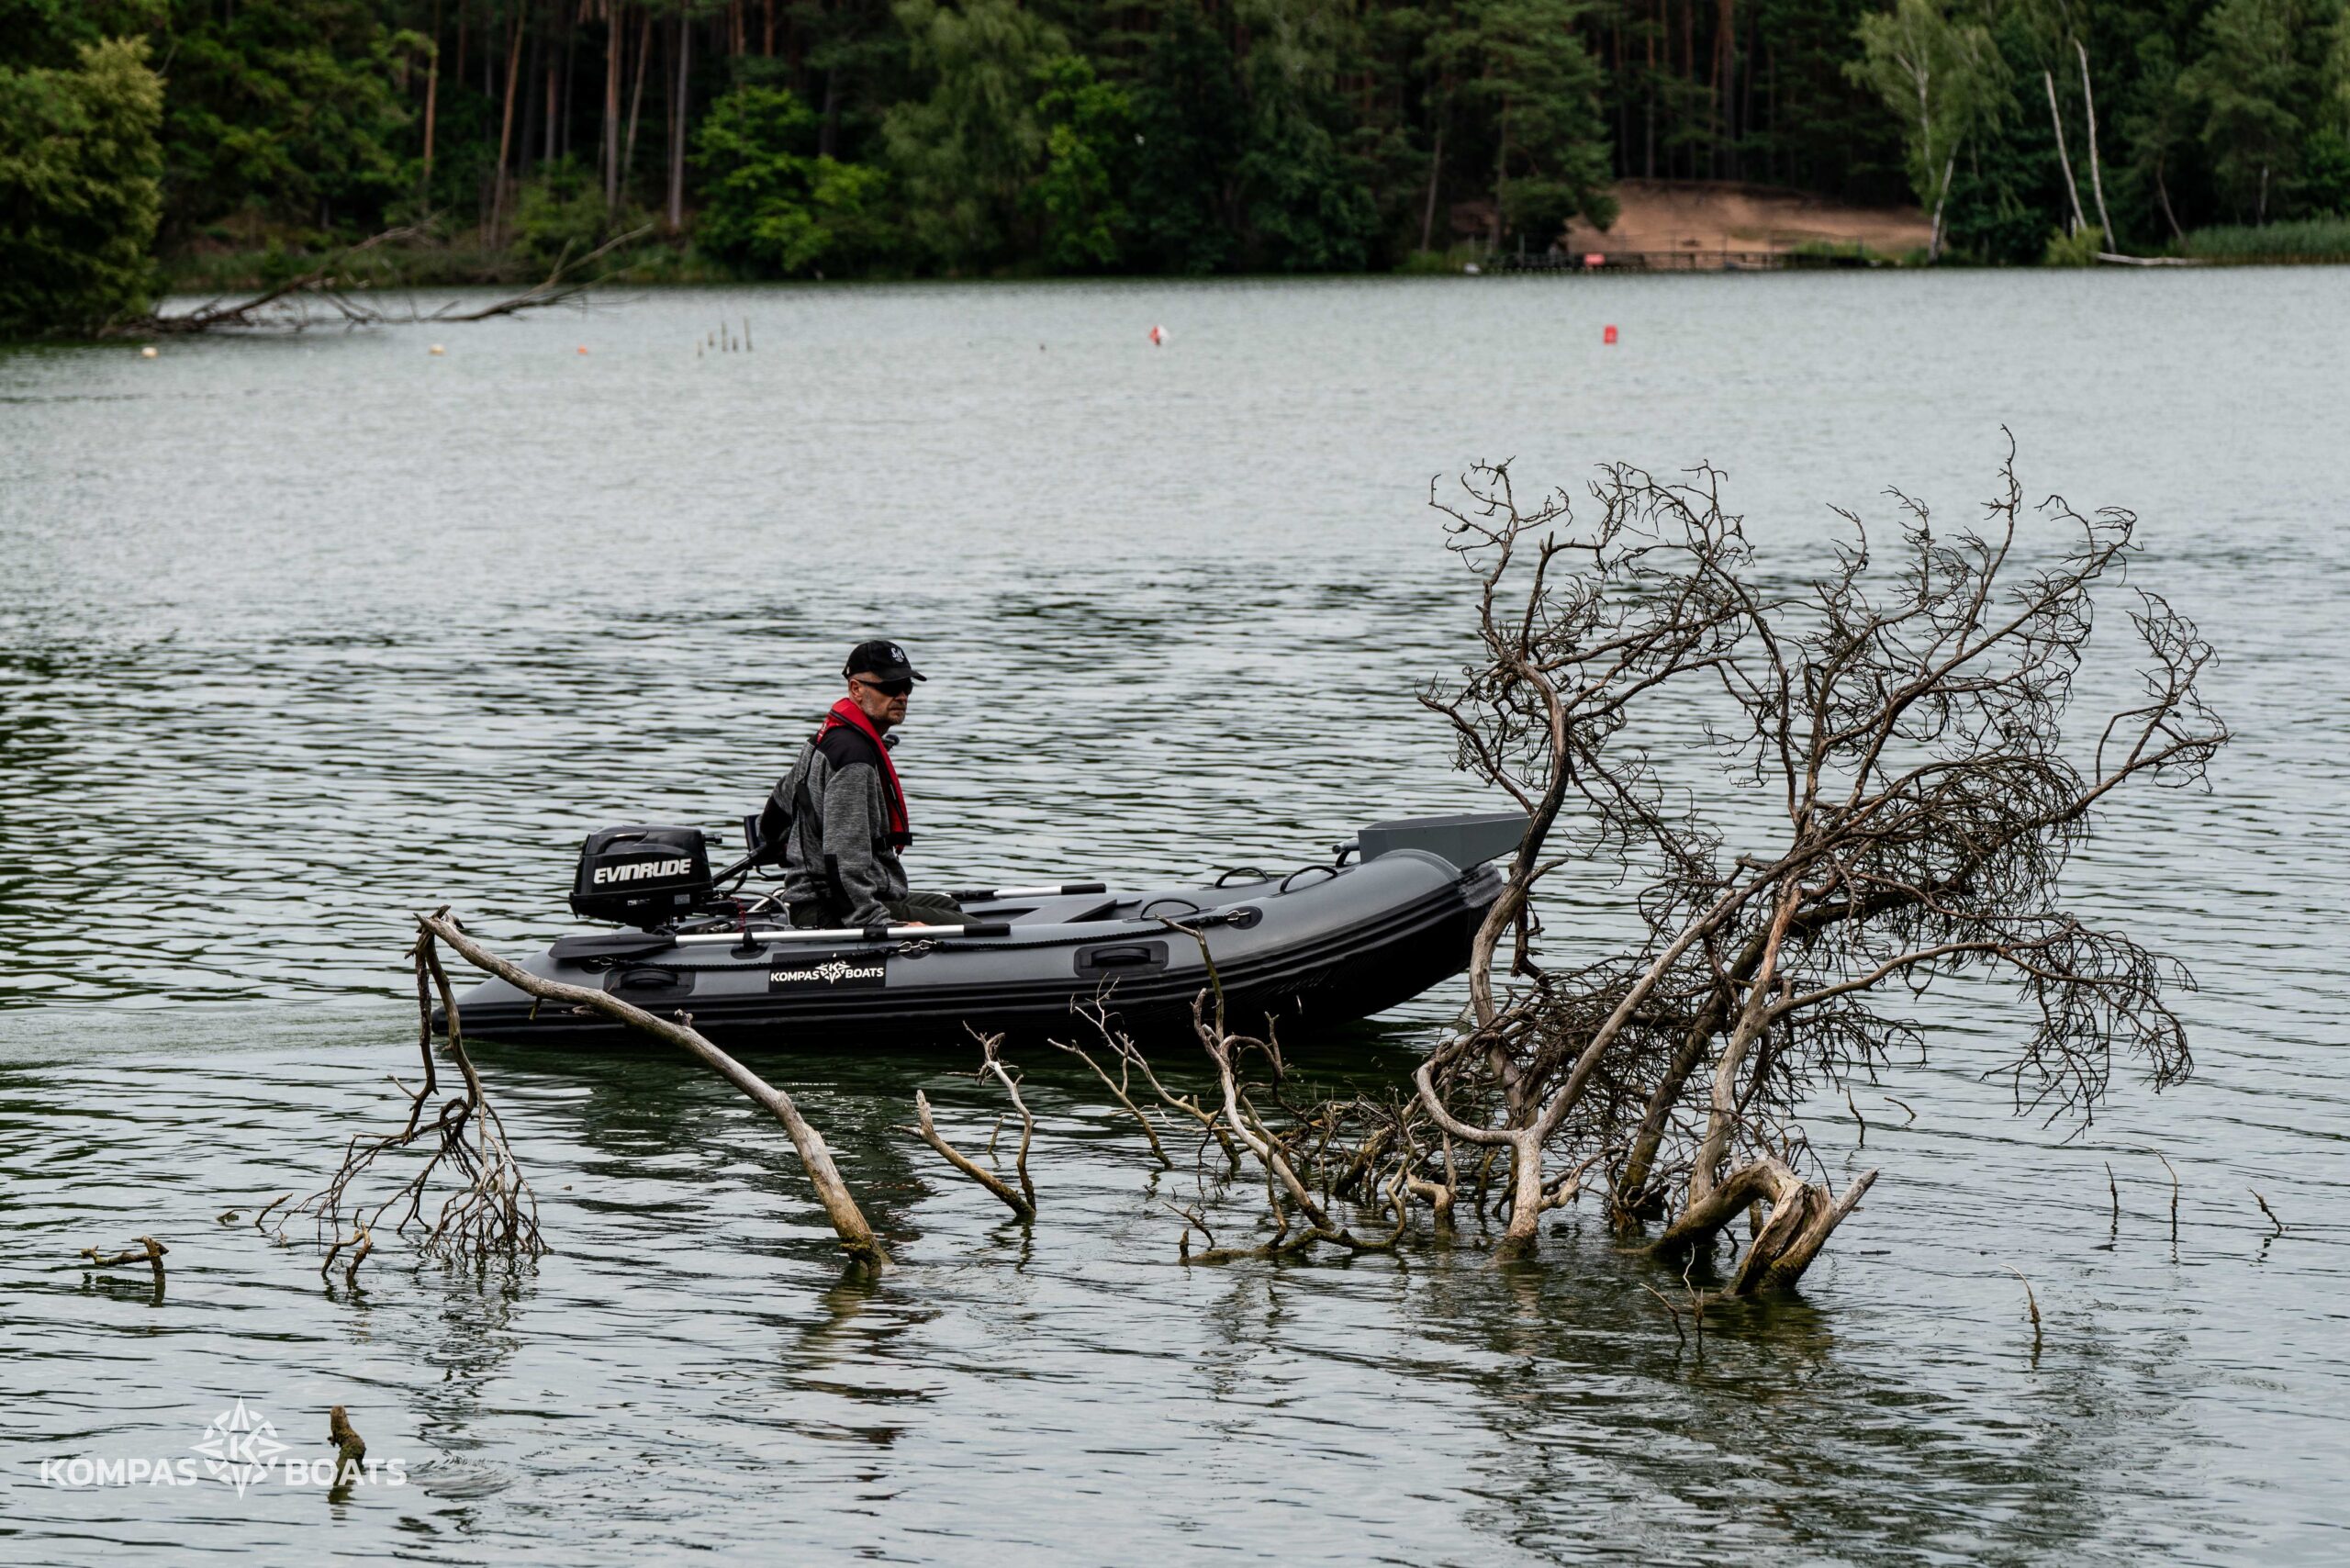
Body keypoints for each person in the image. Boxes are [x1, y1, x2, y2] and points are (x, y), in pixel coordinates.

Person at [768, 640, 964, 929]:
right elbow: (842, 857)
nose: (900, 695)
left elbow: (774, 816)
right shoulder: (854, 758)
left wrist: (791, 852)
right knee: (967, 931)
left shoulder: (827, 738)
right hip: (830, 908)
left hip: (832, 896)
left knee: (949, 907)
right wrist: (879, 924)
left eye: (906, 687)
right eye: (889, 687)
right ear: (856, 689)